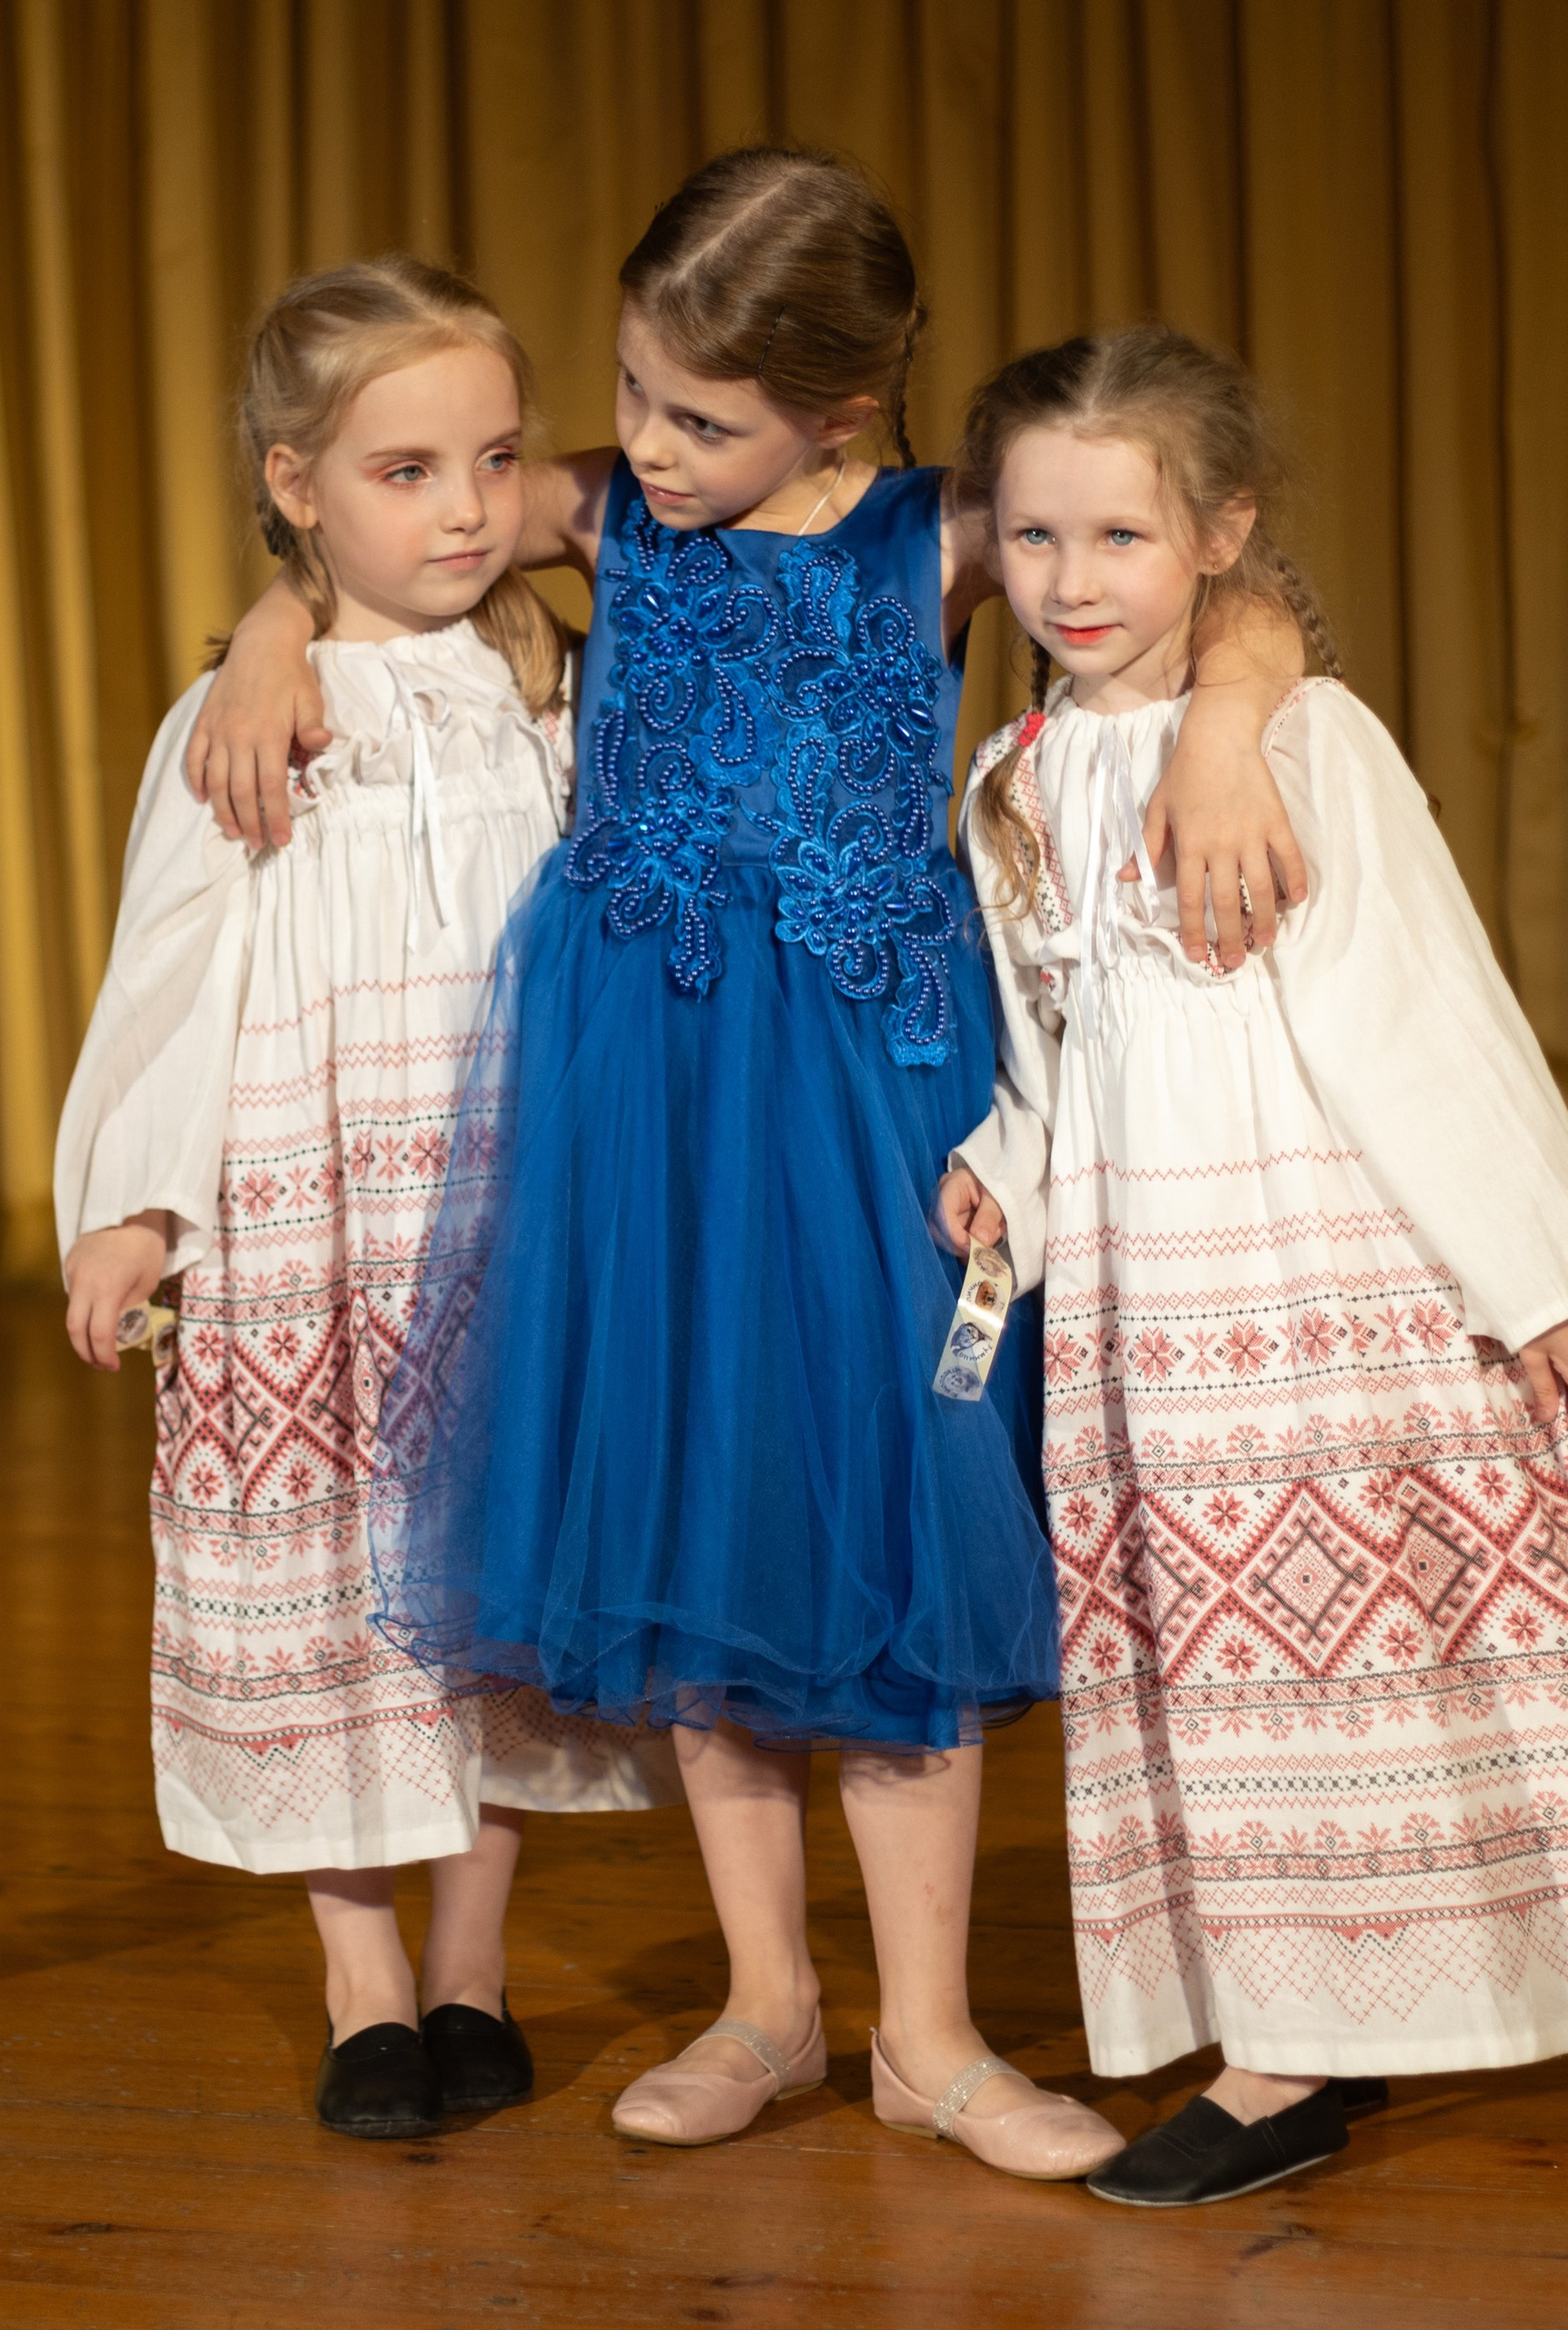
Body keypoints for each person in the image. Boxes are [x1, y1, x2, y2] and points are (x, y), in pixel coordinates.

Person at [200, 148, 1307, 2173]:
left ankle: (936, 2036)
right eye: (626, 394)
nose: (636, 445)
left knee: (882, 1521)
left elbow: (1214, 587)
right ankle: (768, 2004)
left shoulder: (932, 536)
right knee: (700, 1519)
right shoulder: (607, 516)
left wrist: (1231, 720)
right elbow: (382, 531)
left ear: (847, 403)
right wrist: (270, 632)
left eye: (693, 416)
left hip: (869, 1081)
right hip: (642, 1088)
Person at [941, 324, 1568, 2206]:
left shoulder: (1298, 737)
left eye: (1116, 536)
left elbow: (1419, 1012)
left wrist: (1532, 1280)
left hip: (1326, 1262)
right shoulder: (1014, 776)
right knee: (1239, 1663)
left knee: (1413, 1641)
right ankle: (1296, 2023)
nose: (1068, 582)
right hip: (1156, 1291)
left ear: (1217, 532)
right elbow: (1045, 1036)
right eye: (1035, 538)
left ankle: (1315, 2034)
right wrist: (1007, 1169)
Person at [55, 258, 674, 2143]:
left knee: (479, 1594)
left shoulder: (546, 690)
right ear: (292, 480)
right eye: (402, 470)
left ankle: (472, 1959)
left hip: (501, 1212)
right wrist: (126, 1202)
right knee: (338, 1589)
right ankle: (361, 1981)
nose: (469, 506)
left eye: (490, 457)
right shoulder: (240, 718)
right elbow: (171, 965)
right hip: (308, 1213)